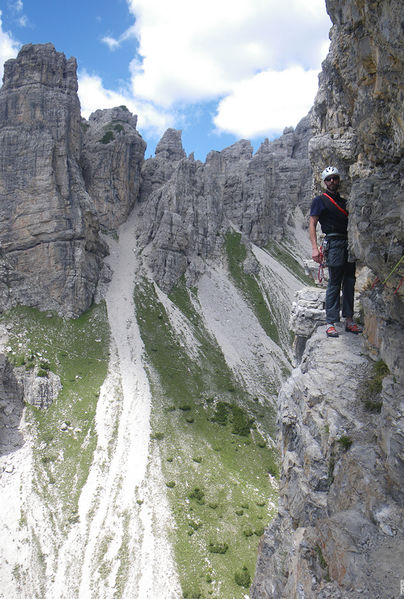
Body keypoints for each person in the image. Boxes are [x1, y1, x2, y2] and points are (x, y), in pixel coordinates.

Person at [309, 166, 361, 338]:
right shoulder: (320, 201)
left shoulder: (344, 202)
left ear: (338, 180)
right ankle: (331, 322)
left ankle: (348, 319)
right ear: (324, 182)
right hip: (333, 243)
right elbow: (312, 224)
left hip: (347, 243)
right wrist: (315, 248)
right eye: (329, 179)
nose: (332, 181)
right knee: (334, 283)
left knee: (350, 281)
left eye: (334, 178)